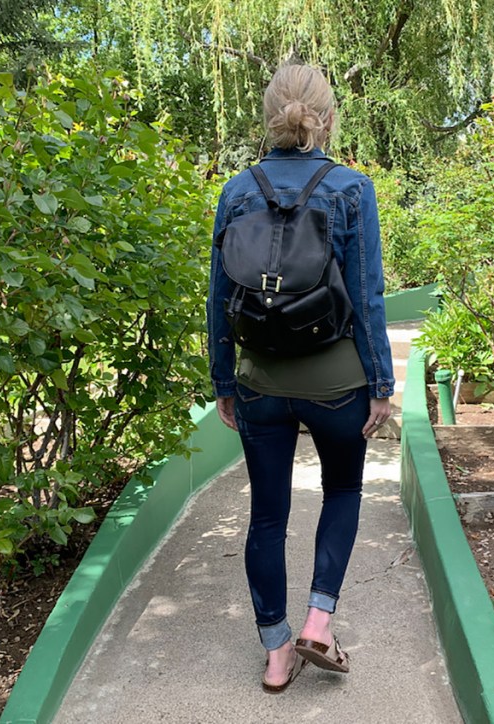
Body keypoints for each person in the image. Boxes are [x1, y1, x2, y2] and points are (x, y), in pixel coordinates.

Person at [207, 64, 395, 693]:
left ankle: (276, 651)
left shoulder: (236, 191)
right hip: (338, 382)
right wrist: (380, 385)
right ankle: (319, 618)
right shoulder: (351, 188)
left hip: (260, 381)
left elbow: (218, 298)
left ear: (270, 116)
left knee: (267, 516)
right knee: (342, 492)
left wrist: (224, 381)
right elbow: (367, 296)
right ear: (327, 115)